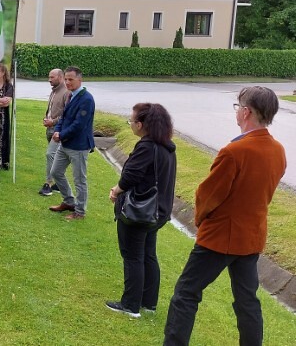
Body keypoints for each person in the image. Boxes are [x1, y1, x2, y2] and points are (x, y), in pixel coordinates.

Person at [164, 87, 287, 345]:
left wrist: (200, 220)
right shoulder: (278, 150)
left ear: (246, 112)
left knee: (186, 293)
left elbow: (208, 195)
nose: (236, 112)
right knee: (247, 301)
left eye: (238, 107)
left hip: (220, 237)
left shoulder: (234, 151)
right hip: (252, 236)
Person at [101, 103, 178, 318]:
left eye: (132, 120)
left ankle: (130, 305)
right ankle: (148, 302)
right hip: (157, 212)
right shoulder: (167, 148)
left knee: (133, 255)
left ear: (141, 124)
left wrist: (116, 190)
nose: (130, 124)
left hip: (140, 212)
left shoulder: (147, 147)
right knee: (148, 254)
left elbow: (131, 176)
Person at [48, 66, 96, 221]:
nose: (67, 82)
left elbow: (79, 124)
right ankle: (69, 201)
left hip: (79, 146)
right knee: (55, 172)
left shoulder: (86, 99)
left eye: (71, 79)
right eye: (66, 79)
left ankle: (80, 212)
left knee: (79, 180)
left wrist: (61, 135)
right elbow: (63, 117)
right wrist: (58, 131)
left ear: (80, 80)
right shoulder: (70, 95)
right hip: (65, 144)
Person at [40, 68, 69, 196]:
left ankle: (49, 184)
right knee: (56, 157)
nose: (49, 80)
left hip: (59, 130)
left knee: (50, 154)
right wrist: (47, 118)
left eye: (52, 77)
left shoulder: (66, 92)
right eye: (49, 77)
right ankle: (58, 184)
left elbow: (67, 114)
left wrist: (53, 122)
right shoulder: (54, 91)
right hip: (50, 129)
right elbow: (52, 109)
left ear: (60, 77)